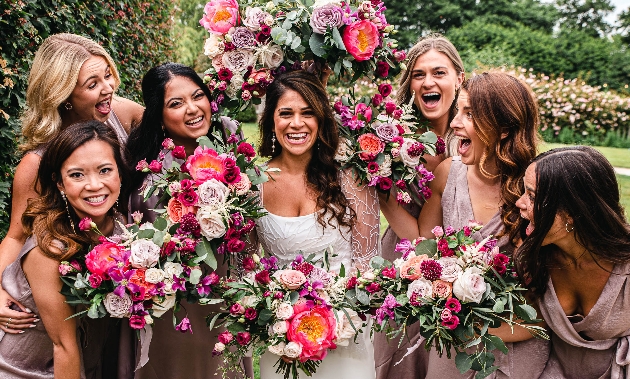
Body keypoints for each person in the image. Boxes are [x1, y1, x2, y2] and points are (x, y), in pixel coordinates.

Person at [0, 33, 143, 335]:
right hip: (77, 292)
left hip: (138, 266)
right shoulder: (37, 163)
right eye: (93, 85)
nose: (108, 89)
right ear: (62, 95)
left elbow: (172, 130)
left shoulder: (120, 113)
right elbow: (15, 236)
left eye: (107, 75)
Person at [412, 71, 549, 378]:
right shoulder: (448, 174)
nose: (454, 123)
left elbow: (547, 308)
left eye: (469, 114)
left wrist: (474, 328)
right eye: (458, 111)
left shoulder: (538, 192)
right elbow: (421, 251)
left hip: (514, 353)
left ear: (503, 129)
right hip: (452, 349)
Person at [251, 70, 380, 378]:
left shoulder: (349, 179)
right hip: (282, 338)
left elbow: (366, 264)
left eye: (307, 113)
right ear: (271, 121)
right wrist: (274, 312)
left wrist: (336, 316)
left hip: (345, 332)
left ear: (321, 120)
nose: (297, 123)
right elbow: (246, 267)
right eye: (286, 113)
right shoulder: (253, 184)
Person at [125, 62, 248, 379]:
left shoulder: (228, 150)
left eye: (198, 96)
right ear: (158, 115)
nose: (193, 109)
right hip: (178, 306)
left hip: (228, 297)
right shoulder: (153, 174)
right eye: (175, 103)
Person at [0, 120, 131, 378]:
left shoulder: (120, 226)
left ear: (120, 173)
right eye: (76, 175)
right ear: (59, 183)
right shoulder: (49, 248)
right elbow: (64, 347)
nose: (94, 185)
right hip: (23, 369)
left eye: (105, 170)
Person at [374, 33, 465, 379]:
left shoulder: (476, 136)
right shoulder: (390, 142)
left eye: (439, 72)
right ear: (409, 83)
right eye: (418, 74)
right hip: (405, 256)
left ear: (459, 78)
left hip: (468, 265)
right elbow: (415, 235)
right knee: (401, 361)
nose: (428, 82)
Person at [515, 146, 630, 379]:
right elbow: (526, 324)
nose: (519, 202)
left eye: (532, 196)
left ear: (572, 213)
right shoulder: (535, 259)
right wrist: (449, 311)